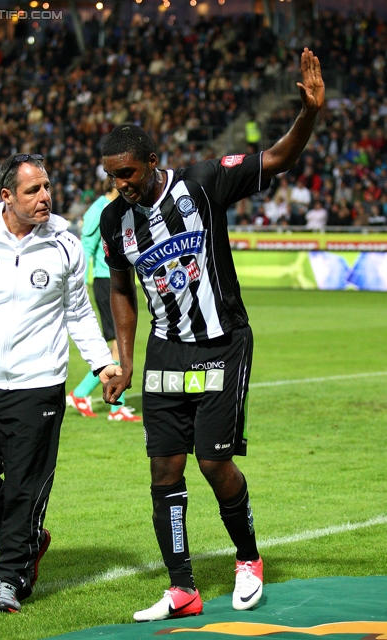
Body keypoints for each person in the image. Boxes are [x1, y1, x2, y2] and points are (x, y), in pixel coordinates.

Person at [100, 48, 325, 622]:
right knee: (163, 469)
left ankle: (247, 558)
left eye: (127, 172)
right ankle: (182, 589)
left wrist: (308, 115)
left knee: (211, 462)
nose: (120, 184)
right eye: (111, 175)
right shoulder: (112, 220)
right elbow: (121, 290)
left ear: (152, 161)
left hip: (224, 341)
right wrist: (123, 359)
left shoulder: (201, 183)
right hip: (165, 351)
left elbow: (275, 158)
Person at [0, 153, 120, 614]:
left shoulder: (65, 245)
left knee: (24, 487)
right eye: (33, 190)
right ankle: (31, 538)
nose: (45, 197)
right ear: (6, 196)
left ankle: (10, 577)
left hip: (40, 385)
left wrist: (103, 365)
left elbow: (78, 313)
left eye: (47, 187)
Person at [66, 178, 141, 422]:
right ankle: (113, 407)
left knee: (117, 346)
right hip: (104, 280)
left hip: (117, 279)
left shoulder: (122, 207)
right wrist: (80, 283)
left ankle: (83, 395)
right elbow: (85, 247)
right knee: (118, 346)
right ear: (112, 185)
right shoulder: (98, 211)